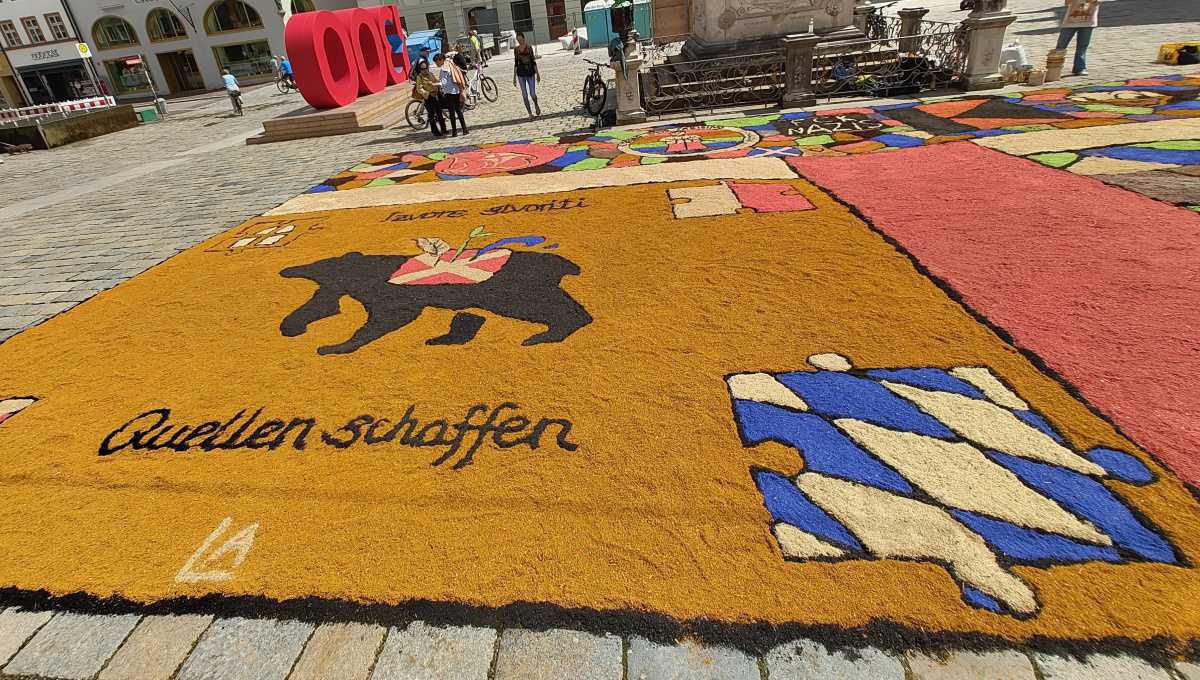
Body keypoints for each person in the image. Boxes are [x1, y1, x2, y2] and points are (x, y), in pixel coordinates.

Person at [1056, 0, 1099, 76]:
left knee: (1082, 46)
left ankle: (1080, 68)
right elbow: (1067, 2)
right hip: (1070, 21)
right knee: (1061, 46)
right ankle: (1054, 69)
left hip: (1088, 21)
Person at [434, 53, 468, 136]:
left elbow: (443, 83)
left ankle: (454, 132)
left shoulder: (444, 68)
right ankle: (465, 129)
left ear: (441, 60)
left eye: (436, 62)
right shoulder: (451, 64)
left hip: (450, 93)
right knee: (459, 111)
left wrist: (434, 84)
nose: (436, 64)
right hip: (456, 91)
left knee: (452, 113)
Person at [412, 60, 446, 137]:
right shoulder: (419, 77)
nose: (424, 70)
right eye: (422, 69)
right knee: (431, 115)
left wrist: (438, 84)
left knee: (439, 113)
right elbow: (419, 89)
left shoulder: (431, 74)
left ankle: (443, 129)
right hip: (428, 97)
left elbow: (437, 81)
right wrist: (426, 93)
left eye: (426, 68)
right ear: (420, 69)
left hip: (435, 95)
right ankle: (435, 131)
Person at [513, 32, 541, 118]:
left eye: (521, 39)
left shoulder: (529, 48)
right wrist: (514, 77)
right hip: (520, 74)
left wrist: (537, 74)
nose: (519, 41)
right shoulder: (516, 49)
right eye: (518, 40)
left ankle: (536, 104)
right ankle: (530, 113)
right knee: (524, 95)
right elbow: (516, 63)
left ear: (524, 38)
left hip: (530, 73)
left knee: (532, 94)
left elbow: (533, 61)